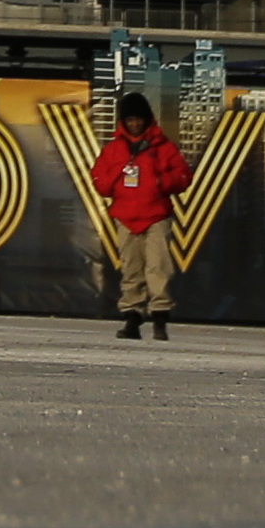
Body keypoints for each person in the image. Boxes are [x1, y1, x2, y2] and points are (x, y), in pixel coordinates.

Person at [90, 89, 193, 340]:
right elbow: (99, 182)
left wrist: (160, 181)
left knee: (158, 267)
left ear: (146, 119)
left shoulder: (163, 147)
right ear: (123, 122)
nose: (134, 123)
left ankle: (159, 316)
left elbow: (183, 177)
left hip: (156, 216)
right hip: (126, 218)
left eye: (138, 119)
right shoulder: (114, 150)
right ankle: (132, 317)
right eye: (130, 119)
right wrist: (117, 178)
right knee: (131, 270)